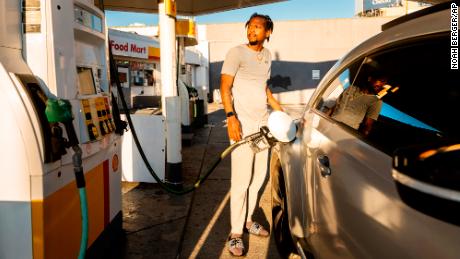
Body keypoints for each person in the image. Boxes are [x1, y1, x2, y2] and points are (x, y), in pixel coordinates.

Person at [220, 13, 282, 256]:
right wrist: (230, 117)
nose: (252, 30)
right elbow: (225, 86)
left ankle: (247, 221)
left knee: (258, 178)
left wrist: (281, 112)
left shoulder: (266, 56)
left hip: (262, 125)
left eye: (258, 27)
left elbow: (263, 89)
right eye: (250, 26)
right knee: (241, 181)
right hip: (242, 126)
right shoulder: (236, 53)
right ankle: (235, 233)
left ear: (267, 32)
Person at [331, 70, 388, 135]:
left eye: (384, 83)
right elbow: (333, 108)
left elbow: (367, 126)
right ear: (370, 79)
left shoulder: (376, 102)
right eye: (380, 80)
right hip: (328, 124)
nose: (381, 84)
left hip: (345, 134)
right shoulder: (350, 88)